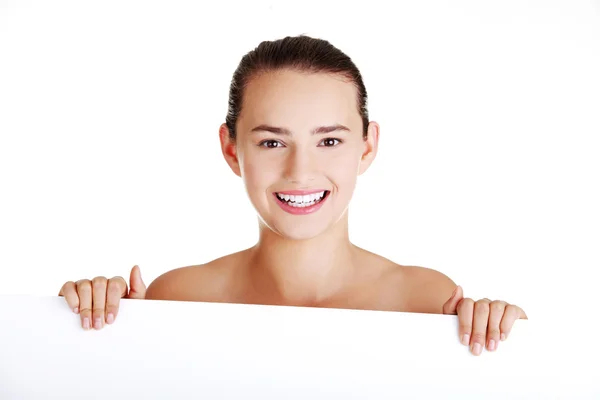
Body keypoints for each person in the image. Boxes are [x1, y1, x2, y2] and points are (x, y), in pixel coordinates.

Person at [58, 35, 527, 356]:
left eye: (329, 141)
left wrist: (505, 336)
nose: (300, 172)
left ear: (367, 147)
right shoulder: (179, 298)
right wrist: (92, 325)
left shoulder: (425, 300)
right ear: (230, 149)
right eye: (272, 142)